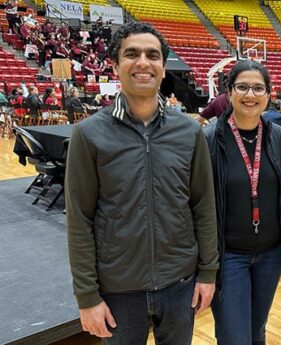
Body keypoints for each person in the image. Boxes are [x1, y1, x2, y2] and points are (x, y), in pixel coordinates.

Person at [65, 22, 218, 344]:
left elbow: (203, 207)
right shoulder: (89, 134)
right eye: (131, 54)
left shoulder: (188, 132)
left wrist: (207, 274)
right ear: (115, 65)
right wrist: (87, 296)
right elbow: (79, 219)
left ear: (163, 67)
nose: (143, 62)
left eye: (153, 55)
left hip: (180, 285)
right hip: (118, 291)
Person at [202, 60, 281, 345]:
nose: (250, 95)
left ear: (268, 94)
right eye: (242, 87)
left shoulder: (277, 136)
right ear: (229, 92)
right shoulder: (209, 138)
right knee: (234, 337)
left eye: (257, 88)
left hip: (271, 254)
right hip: (229, 257)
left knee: (257, 332)